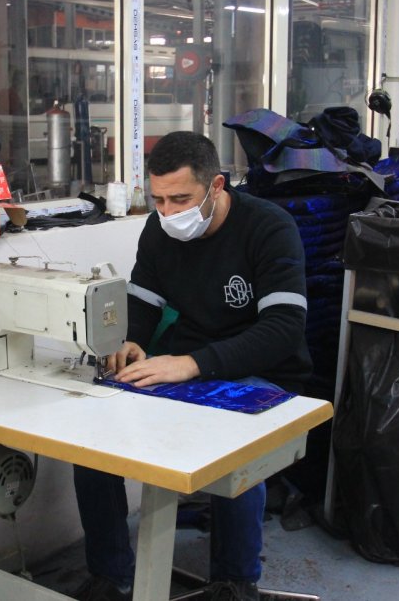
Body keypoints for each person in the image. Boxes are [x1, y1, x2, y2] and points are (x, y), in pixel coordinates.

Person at [72, 131, 312, 601]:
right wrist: (130, 340)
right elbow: (143, 300)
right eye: (158, 200)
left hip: (262, 368)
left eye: (180, 200)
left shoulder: (269, 227)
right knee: (91, 446)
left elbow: (284, 329)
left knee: (235, 448)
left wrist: (192, 364)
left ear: (216, 185)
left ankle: (234, 582)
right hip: (186, 362)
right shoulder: (160, 229)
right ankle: (111, 576)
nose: (168, 213)